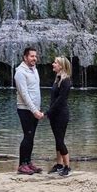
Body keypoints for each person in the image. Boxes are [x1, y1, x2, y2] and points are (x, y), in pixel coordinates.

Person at [14, 47, 44, 175]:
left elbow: (35, 91)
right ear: (25, 57)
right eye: (32, 56)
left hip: (34, 109)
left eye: (35, 56)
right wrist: (34, 110)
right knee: (27, 135)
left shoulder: (34, 70)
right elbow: (24, 94)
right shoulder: (20, 73)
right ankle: (22, 165)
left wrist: (37, 108)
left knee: (31, 137)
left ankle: (28, 162)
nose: (34, 59)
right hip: (25, 109)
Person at [46, 56, 72, 176]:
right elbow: (54, 99)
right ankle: (59, 164)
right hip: (55, 115)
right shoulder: (58, 78)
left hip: (61, 115)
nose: (53, 64)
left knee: (60, 140)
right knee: (57, 140)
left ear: (61, 66)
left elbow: (61, 100)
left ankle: (67, 167)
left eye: (55, 63)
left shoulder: (66, 81)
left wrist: (48, 112)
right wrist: (50, 112)